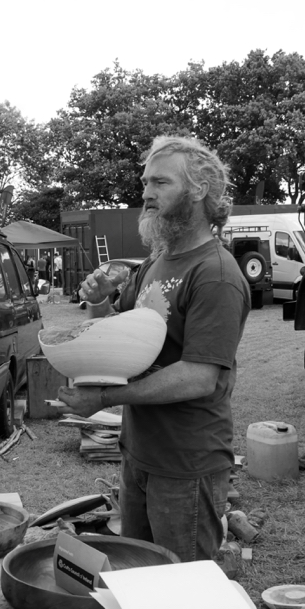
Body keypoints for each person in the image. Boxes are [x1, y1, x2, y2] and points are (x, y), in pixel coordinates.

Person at [58, 135, 249, 563]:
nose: (146, 193)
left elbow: (200, 377)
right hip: (140, 453)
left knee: (182, 590)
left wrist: (104, 399)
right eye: (145, 182)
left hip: (187, 462)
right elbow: (112, 341)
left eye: (160, 182)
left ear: (198, 190)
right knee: (141, 574)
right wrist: (100, 300)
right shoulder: (154, 263)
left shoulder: (215, 272)